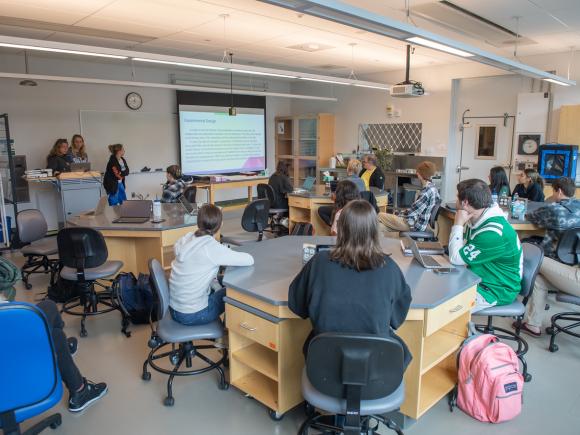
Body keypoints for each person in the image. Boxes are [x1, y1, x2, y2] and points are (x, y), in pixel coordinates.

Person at [289, 200, 412, 366]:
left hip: (324, 365)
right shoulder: (389, 268)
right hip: (377, 368)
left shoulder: (319, 262)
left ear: (341, 228)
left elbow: (297, 305)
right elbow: (397, 317)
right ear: (374, 231)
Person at [0, 258, 107, 413]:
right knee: (49, 311)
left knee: (49, 316)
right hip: (12, 356)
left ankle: (62, 354)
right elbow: (10, 275)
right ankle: (78, 388)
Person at [169, 204, 254, 326]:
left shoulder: (187, 238)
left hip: (175, 308)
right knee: (234, 291)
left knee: (221, 280)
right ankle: (227, 336)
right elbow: (248, 260)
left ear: (198, 222)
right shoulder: (211, 248)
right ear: (221, 225)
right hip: (193, 314)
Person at [449, 179, 523, 313]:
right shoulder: (479, 218)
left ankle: (466, 333)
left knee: (442, 310)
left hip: (494, 289)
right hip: (476, 278)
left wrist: (458, 224)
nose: (455, 201)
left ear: (465, 203)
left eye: (457, 197)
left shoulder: (492, 232)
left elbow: (456, 258)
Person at [518, 177, 580, 336]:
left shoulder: (555, 209)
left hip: (575, 275)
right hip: (573, 262)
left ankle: (512, 292)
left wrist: (551, 201)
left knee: (533, 259)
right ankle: (532, 324)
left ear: (558, 191)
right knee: (539, 277)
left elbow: (530, 216)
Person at [378, 161, 440, 234]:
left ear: (420, 174)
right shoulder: (433, 188)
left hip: (412, 225)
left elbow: (411, 213)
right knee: (378, 226)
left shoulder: (426, 192)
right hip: (416, 223)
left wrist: (397, 213)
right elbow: (414, 210)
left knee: (377, 215)